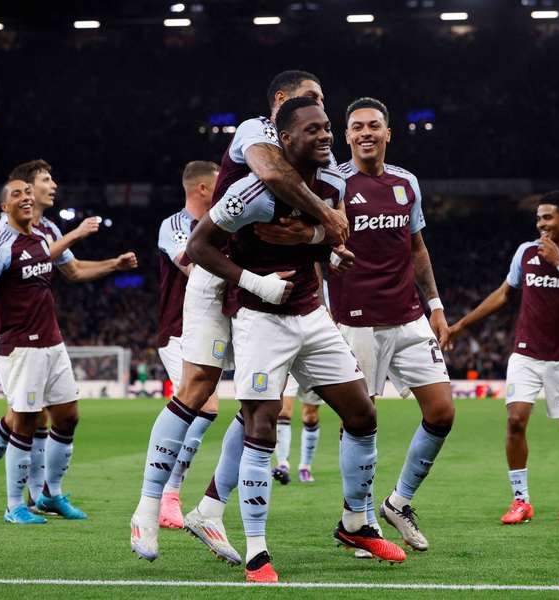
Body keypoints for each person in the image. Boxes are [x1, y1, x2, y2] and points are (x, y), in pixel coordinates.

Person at [130, 69, 347, 564]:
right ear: (281, 101)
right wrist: (327, 220)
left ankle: (209, 509)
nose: (316, 112)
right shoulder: (255, 130)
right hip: (218, 274)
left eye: (322, 103)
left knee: (258, 407)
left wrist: (324, 237)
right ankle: (146, 507)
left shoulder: (320, 154)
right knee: (197, 387)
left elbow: (325, 205)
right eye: (308, 99)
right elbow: (273, 174)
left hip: (273, 292)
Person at [186, 97, 406, 582]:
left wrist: (328, 251)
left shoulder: (333, 182)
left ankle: (355, 521)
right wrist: (255, 281)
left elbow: (334, 239)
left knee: (362, 413)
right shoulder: (251, 192)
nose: (326, 136)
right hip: (261, 318)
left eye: (328, 128)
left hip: (310, 314)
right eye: (313, 131)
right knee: (260, 425)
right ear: (286, 141)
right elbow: (196, 247)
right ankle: (257, 551)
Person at [258, 97, 452, 552]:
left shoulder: (407, 183)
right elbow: (301, 238)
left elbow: (417, 247)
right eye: (357, 127)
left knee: (442, 412)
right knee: (359, 420)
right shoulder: (331, 182)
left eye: (374, 126)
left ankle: (398, 501)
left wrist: (436, 304)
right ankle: (356, 517)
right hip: (355, 320)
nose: (366, 133)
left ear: (388, 133)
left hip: (409, 317)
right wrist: (324, 263)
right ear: (346, 136)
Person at [0, 160, 136, 518]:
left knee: (55, 415)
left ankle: (42, 492)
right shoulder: (7, 233)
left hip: (47, 334)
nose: (52, 186)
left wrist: (112, 265)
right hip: (13, 334)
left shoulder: (48, 228)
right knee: (25, 416)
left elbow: (70, 270)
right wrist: (75, 235)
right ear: (23, 191)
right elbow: (12, 270)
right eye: (44, 180)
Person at [444, 190, 559, 525]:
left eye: (547, 217)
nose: (540, 224)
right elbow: (504, 294)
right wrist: (461, 325)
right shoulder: (525, 252)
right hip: (526, 355)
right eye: (538, 218)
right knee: (516, 421)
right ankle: (521, 501)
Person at [147, 160, 221, 530]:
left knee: (207, 409)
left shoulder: (221, 225)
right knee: (204, 404)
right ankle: (166, 496)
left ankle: (167, 494)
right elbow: (190, 266)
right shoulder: (175, 226)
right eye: (219, 183)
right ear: (202, 189)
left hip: (209, 330)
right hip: (178, 330)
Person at [273, 376, 324, 485]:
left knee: (311, 416)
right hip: (289, 364)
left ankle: (305, 467)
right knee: (283, 412)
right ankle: (282, 465)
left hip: (310, 366)